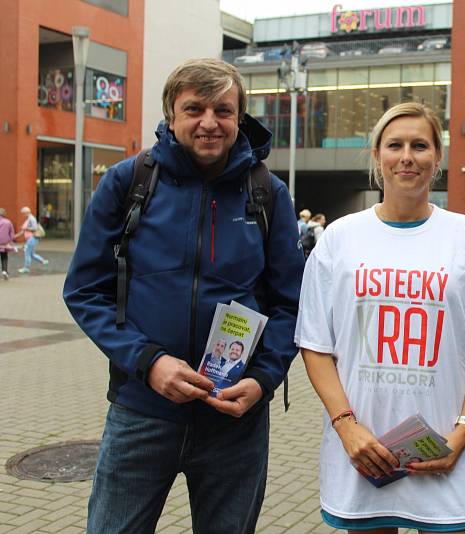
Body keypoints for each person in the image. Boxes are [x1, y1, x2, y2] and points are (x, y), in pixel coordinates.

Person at [62, 58, 304, 534]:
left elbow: (291, 303)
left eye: (223, 110)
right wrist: (149, 362)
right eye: (194, 108)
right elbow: (84, 290)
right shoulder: (129, 182)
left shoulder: (267, 193)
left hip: (235, 419)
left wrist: (263, 379)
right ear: (171, 115)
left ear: (240, 118)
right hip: (141, 412)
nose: (210, 122)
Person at [296, 102, 465, 533]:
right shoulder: (340, 238)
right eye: (394, 145)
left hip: (447, 451)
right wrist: (347, 428)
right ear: (377, 156)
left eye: (420, 145)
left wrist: (464, 430)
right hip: (362, 452)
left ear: (437, 159)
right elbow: (315, 344)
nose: (407, 156)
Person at [15, 206, 48, 274]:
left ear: (27, 212)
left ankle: (26, 268)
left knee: (27, 253)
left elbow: (34, 228)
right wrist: (15, 236)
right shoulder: (28, 219)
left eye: (23, 213)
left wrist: (26, 228)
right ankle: (43, 261)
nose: (23, 215)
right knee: (32, 254)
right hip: (31, 239)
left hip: (32, 238)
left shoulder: (31, 219)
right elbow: (23, 231)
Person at [0, 208, 15, 280]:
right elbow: (12, 234)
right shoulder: (8, 222)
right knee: (4, 256)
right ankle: (4, 271)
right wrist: (10, 241)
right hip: (5, 243)